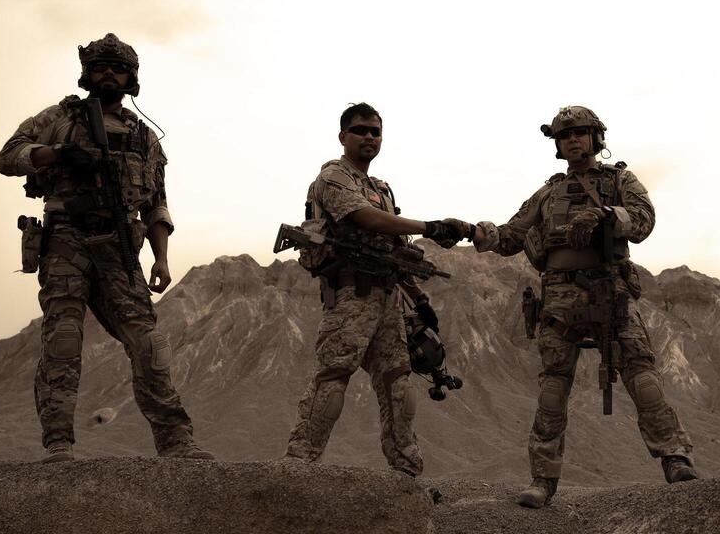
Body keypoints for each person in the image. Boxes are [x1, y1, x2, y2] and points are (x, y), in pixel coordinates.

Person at [0, 33, 213, 462]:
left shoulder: (144, 139)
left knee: (148, 344)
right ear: (87, 73)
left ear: (132, 77)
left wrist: (162, 259)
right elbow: (8, 156)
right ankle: (59, 441)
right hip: (66, 240)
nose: (109, 73)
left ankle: (176, 441)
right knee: (63, 339)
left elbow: (156, 205)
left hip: (119, 249)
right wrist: (56, 154)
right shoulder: (58, 118)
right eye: (101, 66)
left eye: (118, 67)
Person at [470, 106, 696, 508]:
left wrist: (606, 214)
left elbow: (644, 220)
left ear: (595, 138)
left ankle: (675, 459)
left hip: (611, 291)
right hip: (559, 297)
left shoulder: (620, 180)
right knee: (553, 388)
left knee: (643, 377)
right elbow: (510, 236)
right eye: (564, 135)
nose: (572, 140)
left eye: (579, 133)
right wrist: (476, 232)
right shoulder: (548, 193)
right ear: (557, 145)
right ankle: (542, 478)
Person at [283, 102, 472, 477]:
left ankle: (405, 470)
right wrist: (429, 226)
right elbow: (363, 218)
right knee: (334, 377)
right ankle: (298, 465)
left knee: (398, 385)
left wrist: (419, 298)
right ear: (343, 137)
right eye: (360, 130)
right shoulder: (333, 178)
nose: (369, 137)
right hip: (351, 295)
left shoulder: (381, 189)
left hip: (388, 298)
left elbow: (393, 250)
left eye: (375, 131)